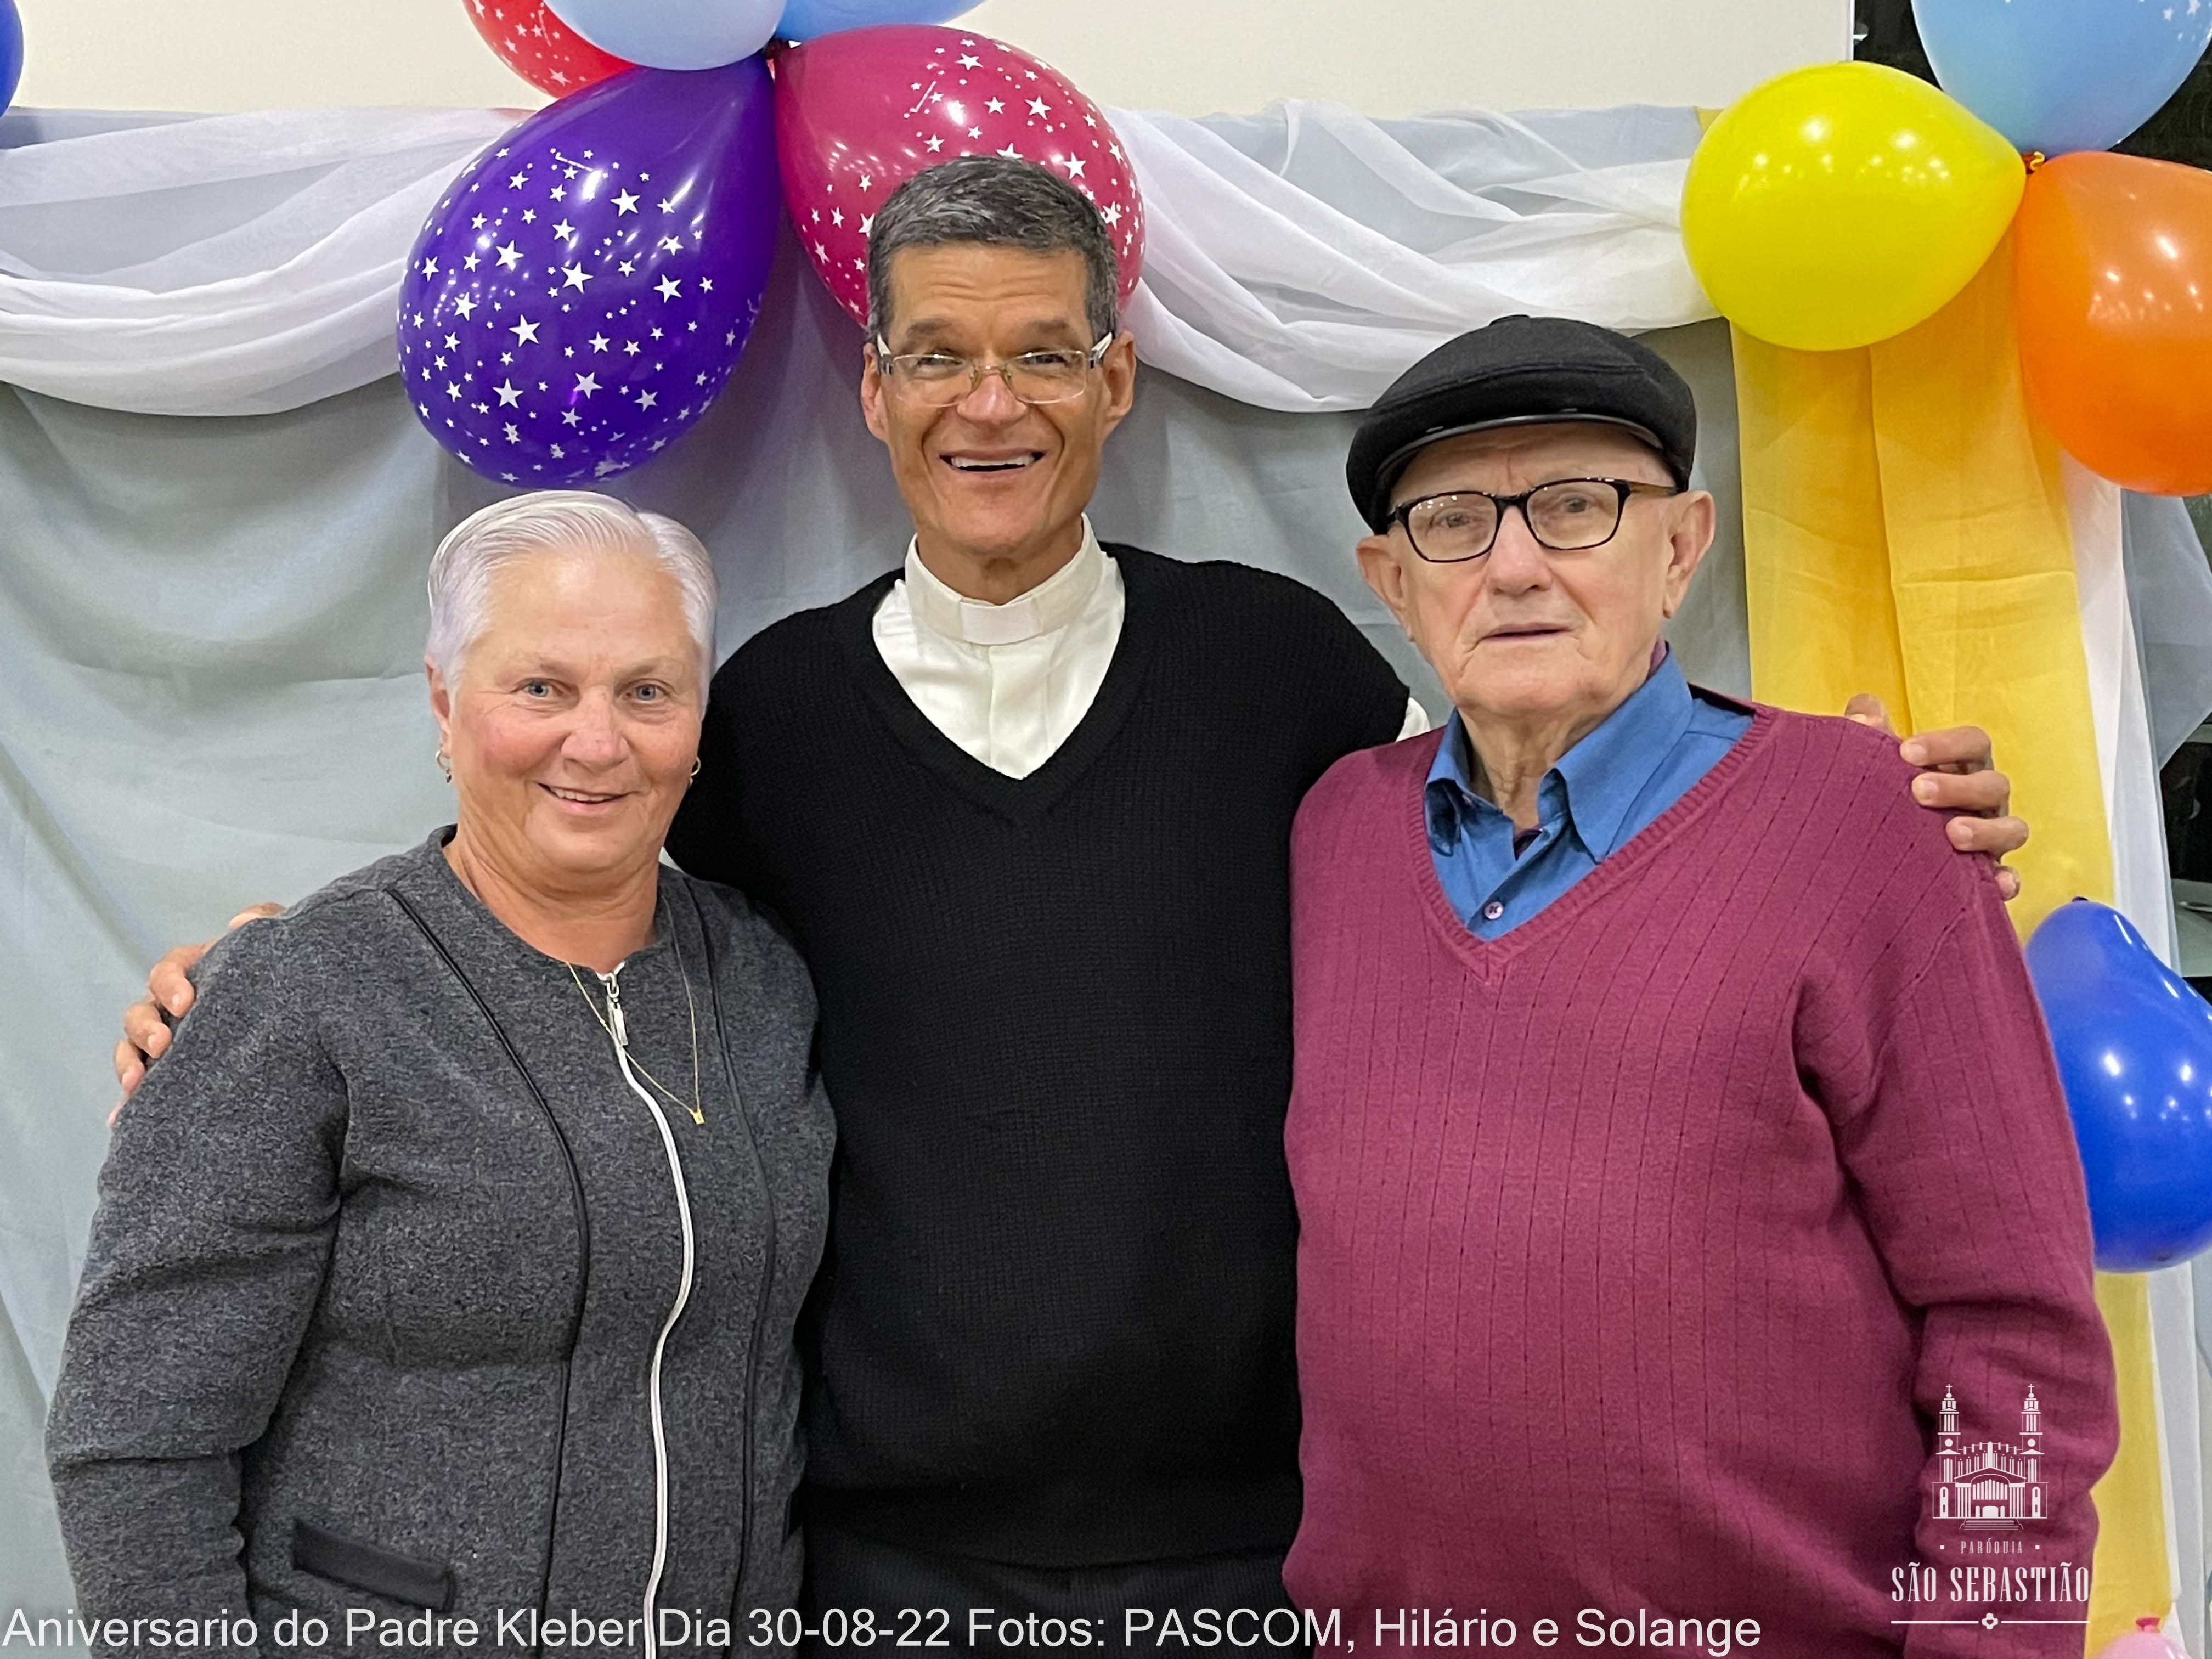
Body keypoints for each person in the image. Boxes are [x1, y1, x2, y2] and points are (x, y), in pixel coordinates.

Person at [115, 162, 2028, 1649]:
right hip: (878, 1561)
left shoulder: (1281, 671)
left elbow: (1540, 785)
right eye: (940, 354)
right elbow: (569, 895)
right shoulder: (768, 714)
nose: (993, 400)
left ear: (1114, 378)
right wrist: (276, 986)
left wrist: (1825, 797)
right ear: (874, 390)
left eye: (1042, 351)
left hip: (1258, 1550)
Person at [1283, 317, 2117, 1654]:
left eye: (1576, 507)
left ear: (1681, 547)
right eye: (1452, 522)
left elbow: (2018, 1335)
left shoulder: (1874, 822)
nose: (1513, 566)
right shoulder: (1336, 832)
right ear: (1393, 581)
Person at [57, 494, 831, 1655]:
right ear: (443, 704)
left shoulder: (765, 979)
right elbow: (136, 1441)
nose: (598, 741)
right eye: (542, 688)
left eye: (647, 691)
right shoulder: (301, 992)